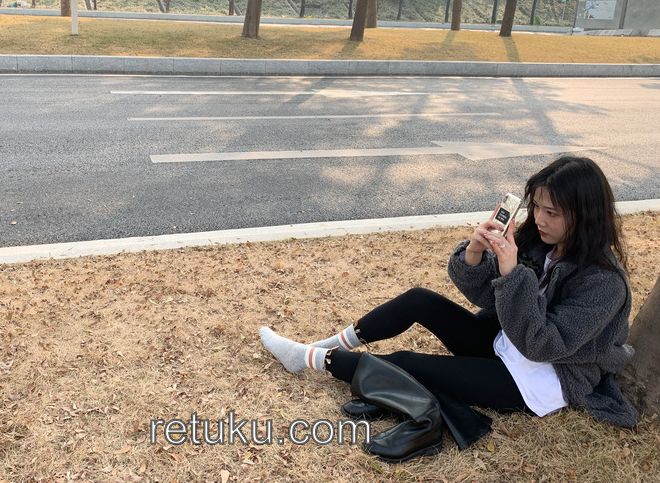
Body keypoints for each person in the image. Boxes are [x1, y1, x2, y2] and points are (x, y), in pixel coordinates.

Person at [260, 156, 638, 463]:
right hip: (506, 343)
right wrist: (474, 253)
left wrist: (512, 274)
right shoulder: (542, 241)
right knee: (419, 299)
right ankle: (329, 345)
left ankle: (306, 358)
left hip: (540, 380)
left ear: (585, 215)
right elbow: (491, 299)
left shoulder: (603, 282)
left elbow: (543, 345)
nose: (539, 218)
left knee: (406, 362)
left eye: (552, 212)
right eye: (536, 206)